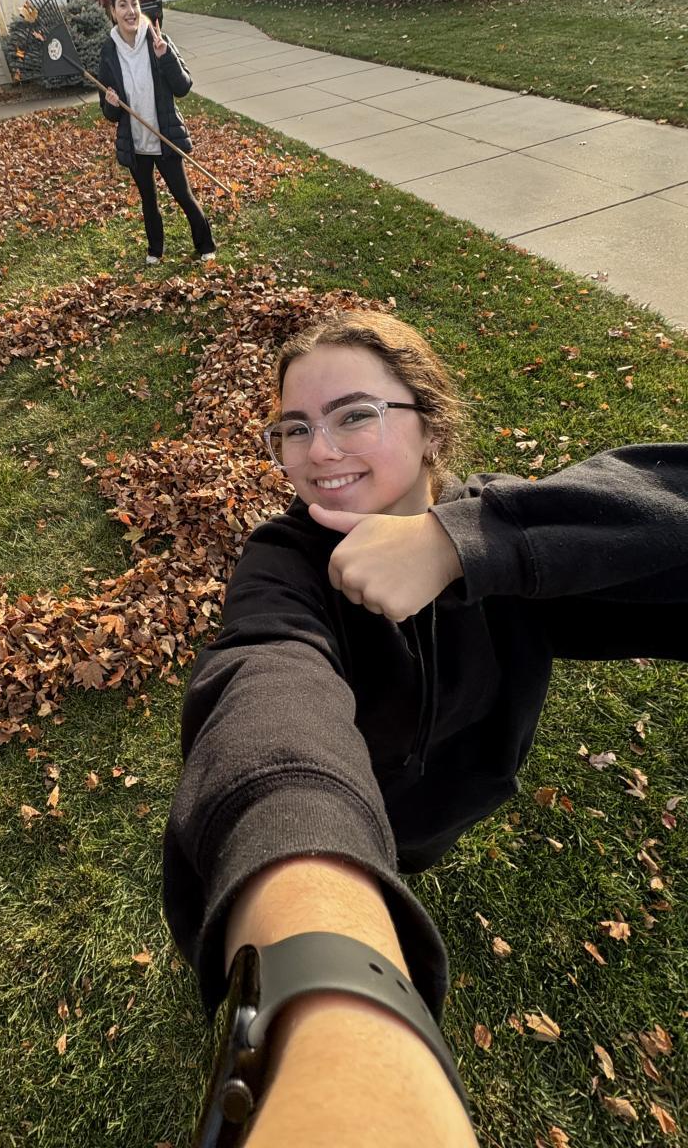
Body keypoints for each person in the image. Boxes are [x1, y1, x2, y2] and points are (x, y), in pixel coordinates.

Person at [163, 308, 688, 1146]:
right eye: (294, 428)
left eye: (354, 415)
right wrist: (325, 958)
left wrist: (465, 547)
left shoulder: (511, 531)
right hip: (354, 816)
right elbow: (267, 681)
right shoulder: (283, 562)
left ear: (432, 427)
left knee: (412, 856)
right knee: (387, 856)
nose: (318, 452)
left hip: (452, 804)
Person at [97, 0, 216, 266]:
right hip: (136, 143)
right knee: (148, 200)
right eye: (122, 5)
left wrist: (165, 57)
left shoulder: (157, 40)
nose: (130, 11)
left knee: (182, 194)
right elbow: (109, 113)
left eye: (134, 3)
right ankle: (155, 251)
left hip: (164, 137)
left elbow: (183, 87)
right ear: (113, 11)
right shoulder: (109, 52)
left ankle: (205, 245)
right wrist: (111, 103)